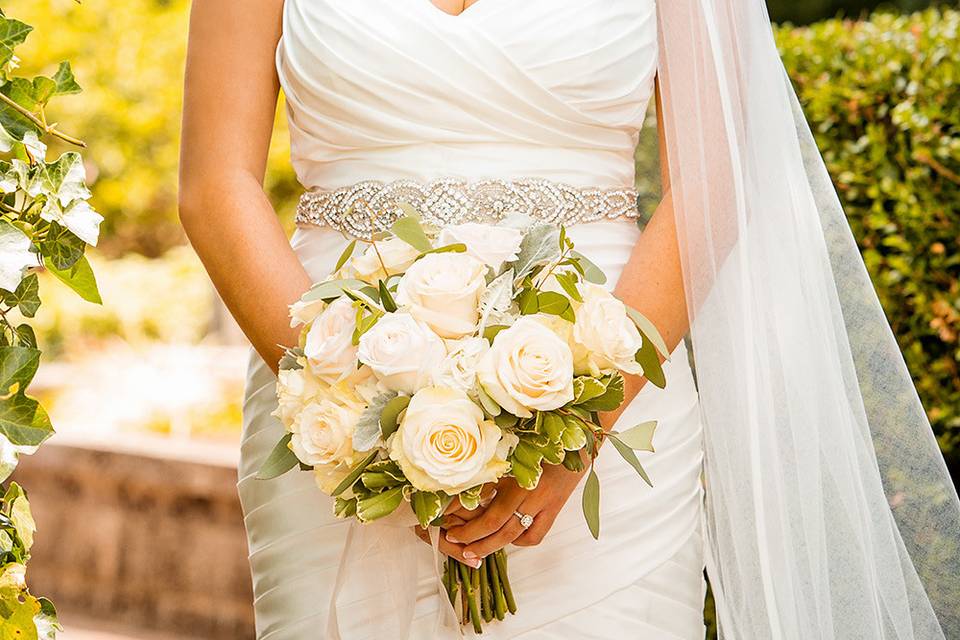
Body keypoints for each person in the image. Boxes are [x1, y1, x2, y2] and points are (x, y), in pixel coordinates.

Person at [179, 1, 960, 638]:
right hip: (330, 425)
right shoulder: (345, 425)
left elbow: (717, 169)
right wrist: (362, 425)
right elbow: (214, 185)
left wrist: (581, 425)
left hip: (610, 407)